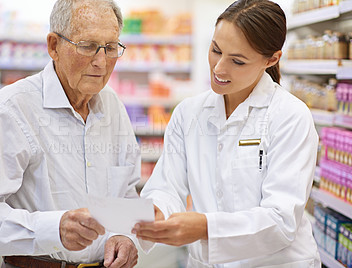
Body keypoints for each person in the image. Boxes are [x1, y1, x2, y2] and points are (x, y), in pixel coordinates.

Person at [132, 0, 321, 267]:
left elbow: (281, 220)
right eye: (215, 50)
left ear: (272, 59)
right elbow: (167, 184)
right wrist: (157, 209)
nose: (219, 68)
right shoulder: (189, 113)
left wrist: (205, 227)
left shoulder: (290, 116)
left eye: (238, 61)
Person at [0, 0, 140, 267]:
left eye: (111, 48)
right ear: (54, 46)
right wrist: (53, 229)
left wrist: (126, 235)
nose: (101, 62)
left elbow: (128, 193)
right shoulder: (14, 107)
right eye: (88, 46)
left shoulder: (113, 106)